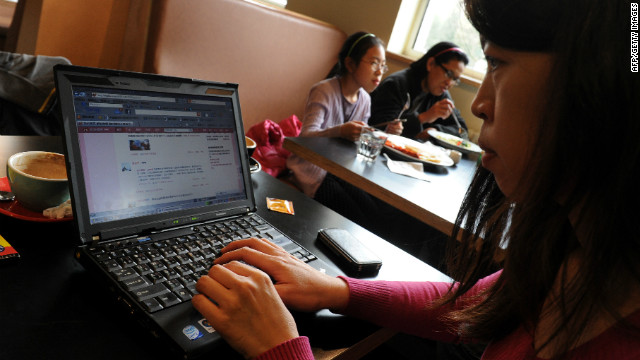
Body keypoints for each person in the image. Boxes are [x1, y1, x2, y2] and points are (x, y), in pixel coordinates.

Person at [192, 0, 640, 359]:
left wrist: (280, 351)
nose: (480, 103)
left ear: (598, 78)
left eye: (498, 64)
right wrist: (338, 289)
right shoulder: (575, 253)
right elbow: (476, 301)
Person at [285, 32, 411, 238]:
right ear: (350, 64)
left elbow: (358, 139)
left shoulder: (365, 99)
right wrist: (340, 130)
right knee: (358, 218)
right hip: (312, 170)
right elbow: (305, 138)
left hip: (342, 171)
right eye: (373, 63)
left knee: (379, 212)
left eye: (383, 65)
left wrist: (385, 133)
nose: (380, 71)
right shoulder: (323, 91)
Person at [369, 41, 470, 140]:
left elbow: (462, 132)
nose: (449, 83)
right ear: (431, 64)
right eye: (448, 74)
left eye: (455, 79)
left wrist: (437, 130)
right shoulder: (395, 84)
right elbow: (380, 126)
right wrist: (424, 117)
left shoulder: (441, 93)